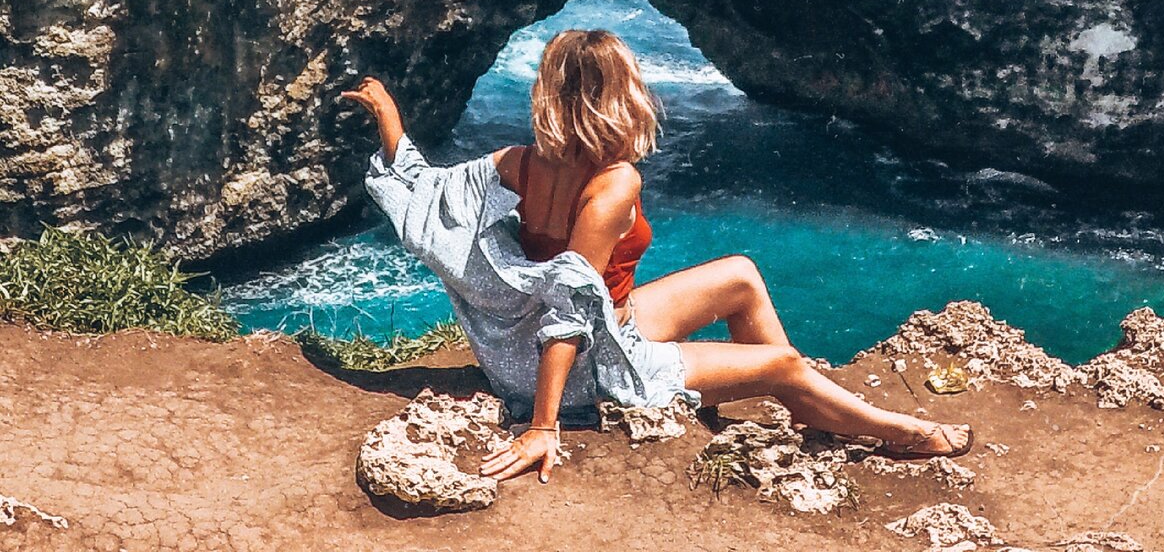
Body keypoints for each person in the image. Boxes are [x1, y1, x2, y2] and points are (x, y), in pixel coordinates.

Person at [342, 30, 972, 486]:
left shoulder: (514, 162)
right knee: (781, 361)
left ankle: (797, 396)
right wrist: (543, 426)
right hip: (590, 364)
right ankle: (889, 428)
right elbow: (569, 306)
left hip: (564, 335)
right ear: (618, 95)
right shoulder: (615, 184)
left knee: (742, 277)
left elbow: (426, 200)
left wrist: (391, 123)